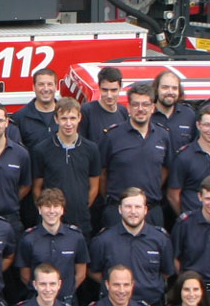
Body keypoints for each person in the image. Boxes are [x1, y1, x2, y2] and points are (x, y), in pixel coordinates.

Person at [89, 187, 175, 305]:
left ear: (145, 210)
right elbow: (94, 272)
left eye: (138, 207)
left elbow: (167, 272)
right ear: (120, 209)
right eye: (128, 207)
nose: (133, 211)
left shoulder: (161, 239)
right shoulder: (103, 240)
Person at [100, 82, 173, 221]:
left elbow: (164, 170)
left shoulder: (163, 136)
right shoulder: (112, 136)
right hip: (118, 212)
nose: (140, 109)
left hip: (151, 212)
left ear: (153, 108)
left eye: (145, 105)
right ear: (128, 107)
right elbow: (102, 175)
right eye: (135, 104)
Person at [32, 96, 101, 234]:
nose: (68, 123)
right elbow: (36, 188)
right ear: (56, 119)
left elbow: (94, 186)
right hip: (51, 222)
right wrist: (48, 212)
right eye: (64, 118)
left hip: (81, 221)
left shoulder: (91, 149)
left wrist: (82, 207)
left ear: (79, 118)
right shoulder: (41, 150)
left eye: (72, 118)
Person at [19, 187, 89, 294]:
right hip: (38, 300)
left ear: (62, 210)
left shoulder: (76, 237)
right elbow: (25, 274)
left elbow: (81, 273)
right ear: (39, 209)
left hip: (67, 301)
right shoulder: (28, 239)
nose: (52, 211)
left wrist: (67, 292)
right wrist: (45, 293)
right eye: (47, 206)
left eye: (56, 206)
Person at [11, 68, 63, 152]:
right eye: (41, 84)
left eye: (50, 84)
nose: (46, 89)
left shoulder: (66, 116)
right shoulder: (19, 118)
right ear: (33, 87)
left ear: (56, 87)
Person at [149, 68, 199, 151]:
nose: (170, 92)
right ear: (156, 89)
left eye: (174, 88)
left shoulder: (189, 115)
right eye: (165, 87)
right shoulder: (146, 115)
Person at [83, 65, 128, 143]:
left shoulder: (123, 111)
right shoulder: (86, 111)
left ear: (121, 88)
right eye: (105, 90)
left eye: (113, 90)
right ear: (99, 87)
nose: (109, 95)